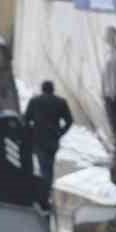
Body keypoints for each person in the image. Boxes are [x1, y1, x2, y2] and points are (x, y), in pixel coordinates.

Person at [24, 80, 73, 208]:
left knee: (43, 166)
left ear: (42, 89)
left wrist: (31, 133)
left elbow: (26, 119)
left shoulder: (35, 101)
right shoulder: (60, 102)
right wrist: (60, 132)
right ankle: (45, 193)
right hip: (52, 139)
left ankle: (44, 196)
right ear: (53, 89)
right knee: (48, 167)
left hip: (38, 139)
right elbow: (69, 120)